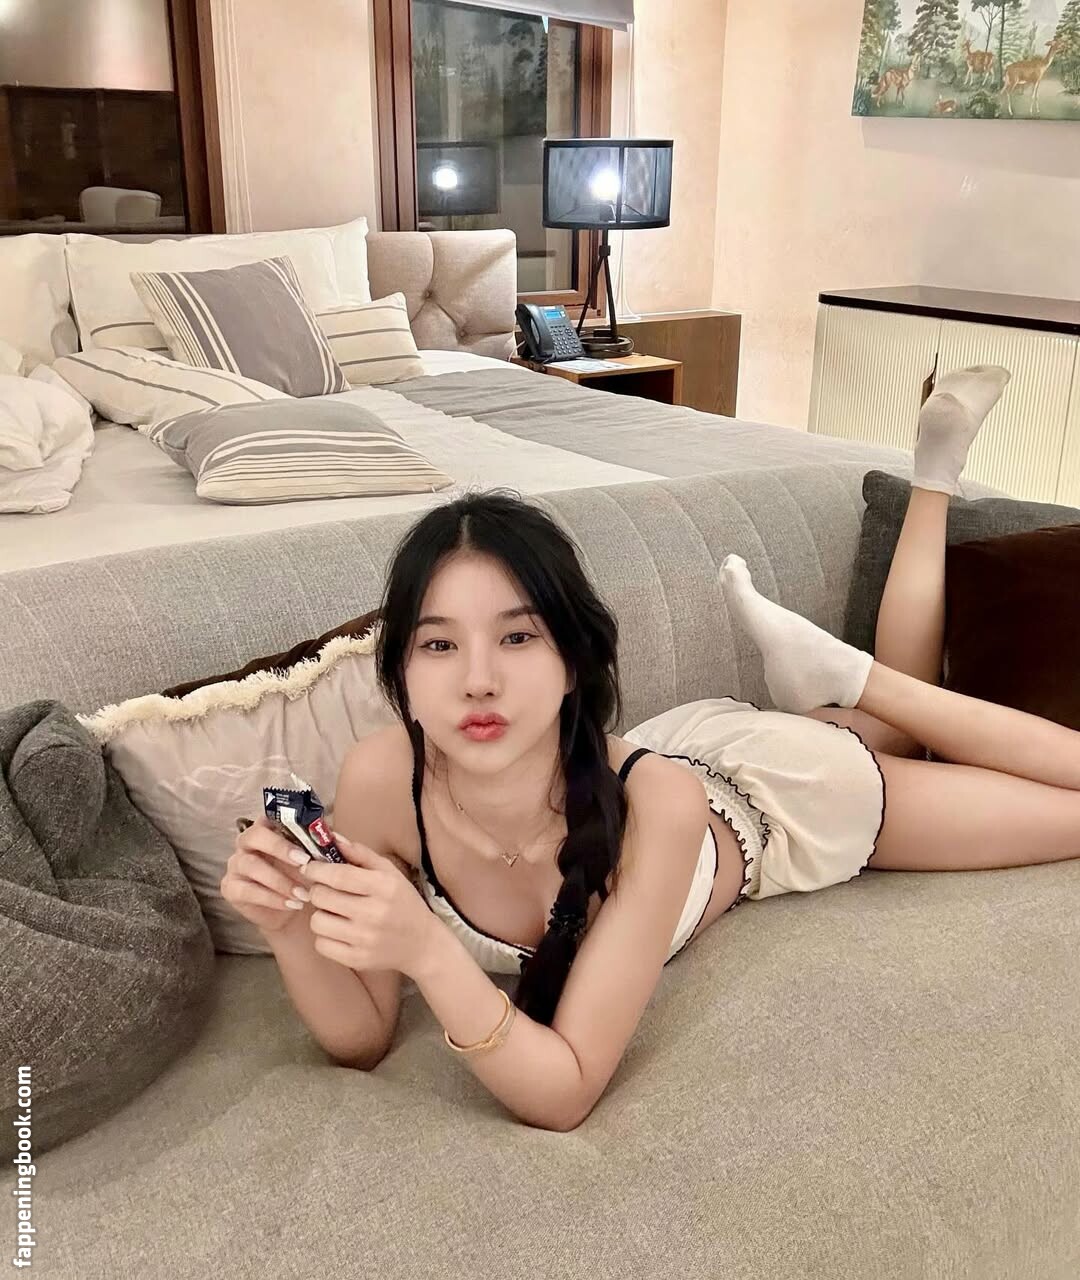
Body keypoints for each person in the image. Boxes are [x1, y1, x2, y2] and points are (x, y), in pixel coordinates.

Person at [221, 363, 1080, 1133]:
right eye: (439, 645)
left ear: (572, 662)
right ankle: (891, 570)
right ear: (402, 675)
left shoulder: (658, 806)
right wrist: (288, 925)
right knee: (897, 740)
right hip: (679, 749)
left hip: (784, 800)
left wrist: (429, 952)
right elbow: (363, 1037)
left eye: (517, 638)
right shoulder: (380, 781)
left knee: (953, 752)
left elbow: (564, 1091)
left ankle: (865, 674)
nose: (478, 681)